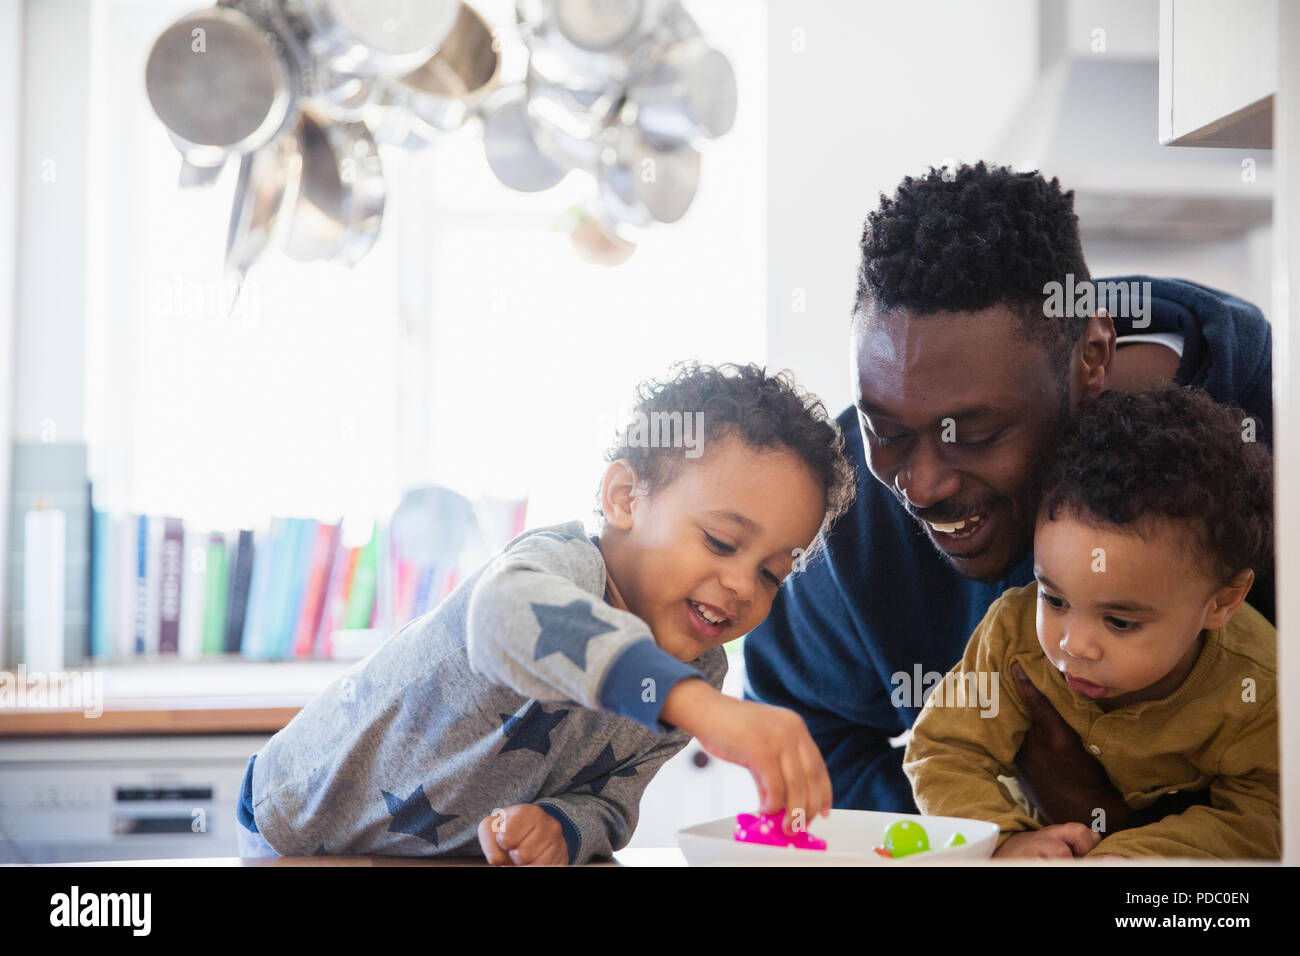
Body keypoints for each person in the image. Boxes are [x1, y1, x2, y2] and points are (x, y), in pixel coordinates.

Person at [744, 162, 1275, 827]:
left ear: (1092, 358)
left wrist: (1096, 820)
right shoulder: (858, 489)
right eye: (887, 430)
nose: (922, 484)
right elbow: (800, 730)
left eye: (977, 433)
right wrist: (981, 834)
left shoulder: (1272, 467)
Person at [236, 362, 855, 864]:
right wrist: (698, 706)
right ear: (624, 498)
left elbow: (610, 804)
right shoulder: (560, 568)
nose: (744, 585)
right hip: (299, 825)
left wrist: (560, 827)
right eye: (721, 542)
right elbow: (506, 617)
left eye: (774, 573)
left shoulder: (702, 670)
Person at [903, 384, 1278, 859]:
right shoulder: (1012, 637)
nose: (1073, 646)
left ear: (1223, 602)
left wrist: (1131, 853)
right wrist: (1003, 840)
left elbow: (1267, 812)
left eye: (1120, 622)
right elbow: (943, 751)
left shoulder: (1260, 687)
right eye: (1054, 599)